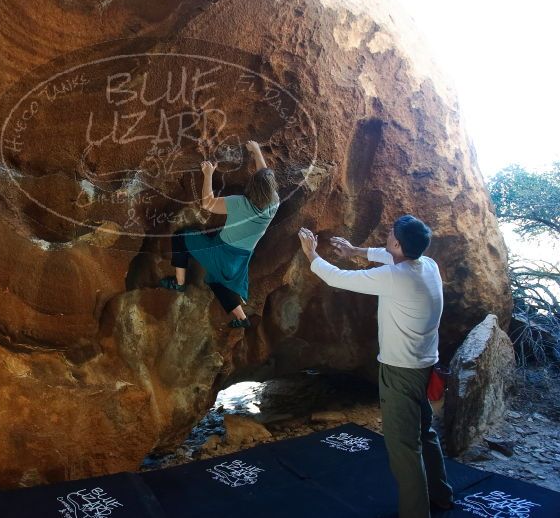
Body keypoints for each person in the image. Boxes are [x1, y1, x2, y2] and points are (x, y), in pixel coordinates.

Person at [297, 216, 453, 517]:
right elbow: (388, 256)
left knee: (404, 448)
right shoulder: (427, 266)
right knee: (424, 432)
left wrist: (311, 254)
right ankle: (441, 494)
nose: (387, 237)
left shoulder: (396, 278)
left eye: (390, 235)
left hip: (400, 371)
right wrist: (356, 251)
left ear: (397, 243)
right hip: (424, 365)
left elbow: (337, 278)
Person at [159, 140, 279, 328]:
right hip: (240, 259)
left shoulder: (239, 203)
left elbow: (208, 203)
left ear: (252, 186)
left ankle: (179, 282)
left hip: (221, 253)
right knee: (217, 281)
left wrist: (208, 175)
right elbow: (264, 177)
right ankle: (242, 319)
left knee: (181, 238)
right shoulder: (273, 204)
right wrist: (256, 151)